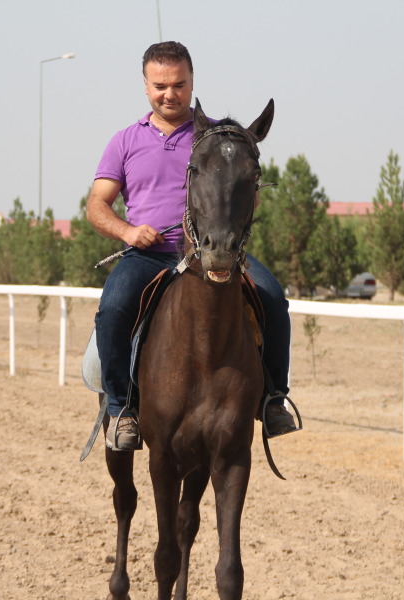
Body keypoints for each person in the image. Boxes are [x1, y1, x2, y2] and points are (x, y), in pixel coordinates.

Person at [87, 41, 298, 451]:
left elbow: (246, 193)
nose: (170, 94)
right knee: (112, 308)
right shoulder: (125, 141)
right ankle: (121, 410)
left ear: (192, 82)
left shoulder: (220, 138)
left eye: (179, 84)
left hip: (213, 251)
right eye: (161, 85)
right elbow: (97, 205)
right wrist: (129, 232)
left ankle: (273, 399)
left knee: (273, 297)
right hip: (149, 255)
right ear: (146, 86)